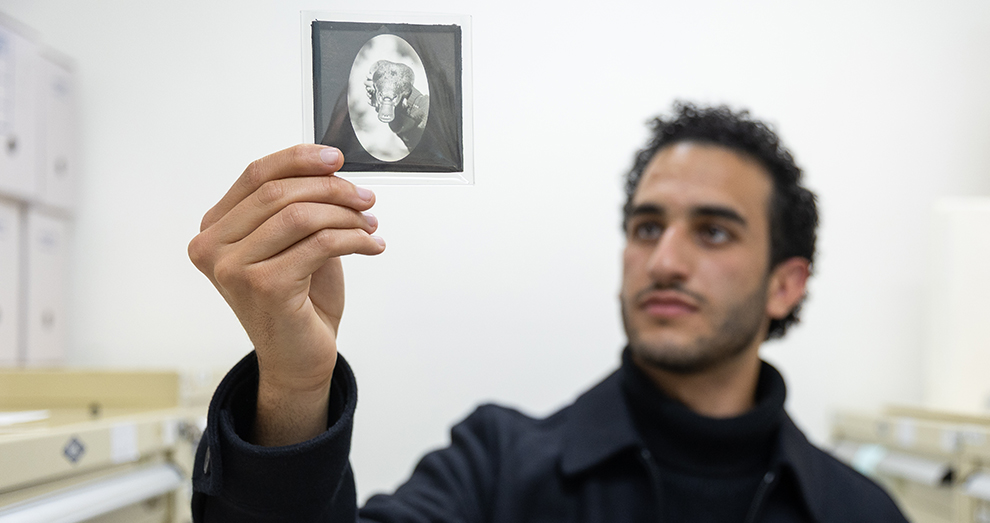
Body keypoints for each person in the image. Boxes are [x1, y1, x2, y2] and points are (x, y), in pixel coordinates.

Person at [186, 103, 909, 522]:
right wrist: (294, 384)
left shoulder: (861, 512)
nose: (664, 260)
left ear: (785, 285)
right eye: (647, 226)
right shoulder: (495, 469)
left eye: (713, 232)